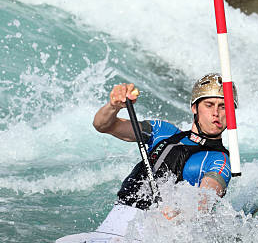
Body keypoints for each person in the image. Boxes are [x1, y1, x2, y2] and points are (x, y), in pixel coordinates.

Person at [93, 73, 237, 214]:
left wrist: (181, 213)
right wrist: (113, 106)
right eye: (209, 105)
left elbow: (203, 204)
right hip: (119, 215)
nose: (216, 113)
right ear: (194, 107)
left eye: (223, 107)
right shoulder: (164, 131)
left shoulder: (219, 161)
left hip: (161, 229)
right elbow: (103, 125)